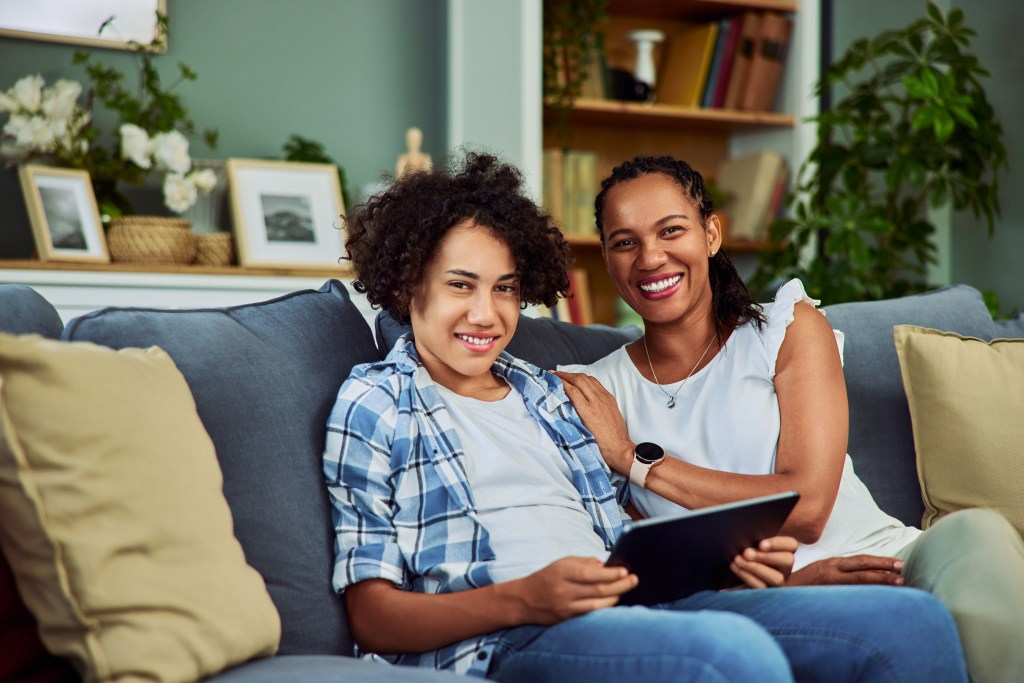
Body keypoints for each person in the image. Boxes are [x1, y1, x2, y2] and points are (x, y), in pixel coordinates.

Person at [322, 151, 966, 682]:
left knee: (913, 622)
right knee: (734, 658)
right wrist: (524, 598)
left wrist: (749, 575)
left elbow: (634, 545)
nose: (486, 314)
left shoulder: (554, 396)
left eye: (506, 288)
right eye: (461, 284)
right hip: (506, 636)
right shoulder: (375, 405)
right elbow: (372, 617)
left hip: (635, 609)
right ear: (410, 288)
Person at [556, 154, 1024, 683]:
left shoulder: (785, 329)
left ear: (711, 234)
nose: (650, 257)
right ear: (606, 256)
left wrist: (634, 461)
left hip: (891, 563)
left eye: (671, 230)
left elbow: (807, 507)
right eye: (625, 242)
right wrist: (789, 587)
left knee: (980, 533)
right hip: (775, 605)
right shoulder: (590, 393)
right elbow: (643, 564)